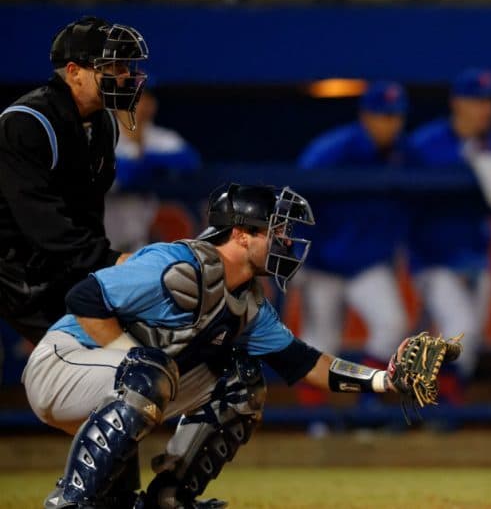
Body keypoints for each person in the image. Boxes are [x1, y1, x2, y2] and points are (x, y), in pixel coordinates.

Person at [22, 184, 443, 508]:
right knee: (149, 371)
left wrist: (384, 381)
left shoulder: (247, 304)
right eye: (276, 231)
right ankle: (72, 502)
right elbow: (84, 299)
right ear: (242, 234)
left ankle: (169, 498)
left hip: (125, 384)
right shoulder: (176, 263)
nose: (285, 241)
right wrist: (132, 359)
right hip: (62, 366)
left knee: (240, 382)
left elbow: (304, 362)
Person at [1, 16, 148, 343]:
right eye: (112, 68)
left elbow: (86, 214)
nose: (124, 76)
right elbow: (44, 221)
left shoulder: (103, 124)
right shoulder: (27, 122)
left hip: (51, 264)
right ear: (73, 72)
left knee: (126, 343)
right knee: (94, 352)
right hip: (15, 266)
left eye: (125, 66)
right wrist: (109, 261)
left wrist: (101, 270)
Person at [406, 67, 491, 398]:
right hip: (433, 257)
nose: (485, 109)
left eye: (489, 101)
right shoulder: (424, 144)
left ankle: (425, 404)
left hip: (476, 256)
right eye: (476, 101)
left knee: (468, 339)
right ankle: (441, 410)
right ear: (457, 103)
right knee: (459, 329)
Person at [296, 81, 410, 380]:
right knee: (320, 343)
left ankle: (367, 406)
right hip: (322, 263)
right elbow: (296, 197)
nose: (391, 124)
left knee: (393, 324)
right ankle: (315, 423)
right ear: (366, 116)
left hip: (365, 263)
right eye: (384, 116)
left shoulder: (403, 153)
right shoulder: (333, 149)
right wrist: (297, 255)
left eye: (396, 117)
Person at [105, 87, 202, 251]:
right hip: (108, 232)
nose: (140, 105)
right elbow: (123, 175)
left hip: (143, 234)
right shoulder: (103, 136)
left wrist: (145, 160)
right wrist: (152, 167)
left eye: (145, 99)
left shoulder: (159, 137)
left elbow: (190, 161)